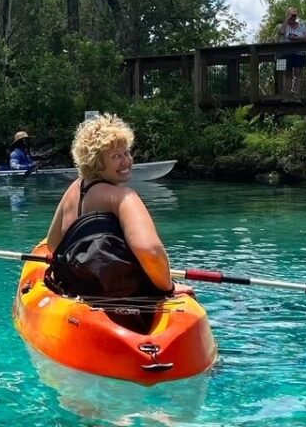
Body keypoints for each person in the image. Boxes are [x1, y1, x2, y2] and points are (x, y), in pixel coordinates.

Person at [43, 114, 193, 301]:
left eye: (127, 153)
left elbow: (53, 244)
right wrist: (168, 287)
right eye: (116, 156)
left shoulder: (74, 189)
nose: (126, 161)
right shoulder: (123, 198)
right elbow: (151, 252)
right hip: (120, 294)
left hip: (77, 291)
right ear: (96, 161)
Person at [277, 7, 306, 94]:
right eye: (290, 15)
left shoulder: (302, 26)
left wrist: (298, 38)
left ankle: (297, 93)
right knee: (287, 73)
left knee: (298, 72)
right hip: (285, 53)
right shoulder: (282, 25)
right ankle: (287, 94)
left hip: (299, 52)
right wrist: (286, 20)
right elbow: (281, 32)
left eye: (294, 15)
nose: (292, 17)